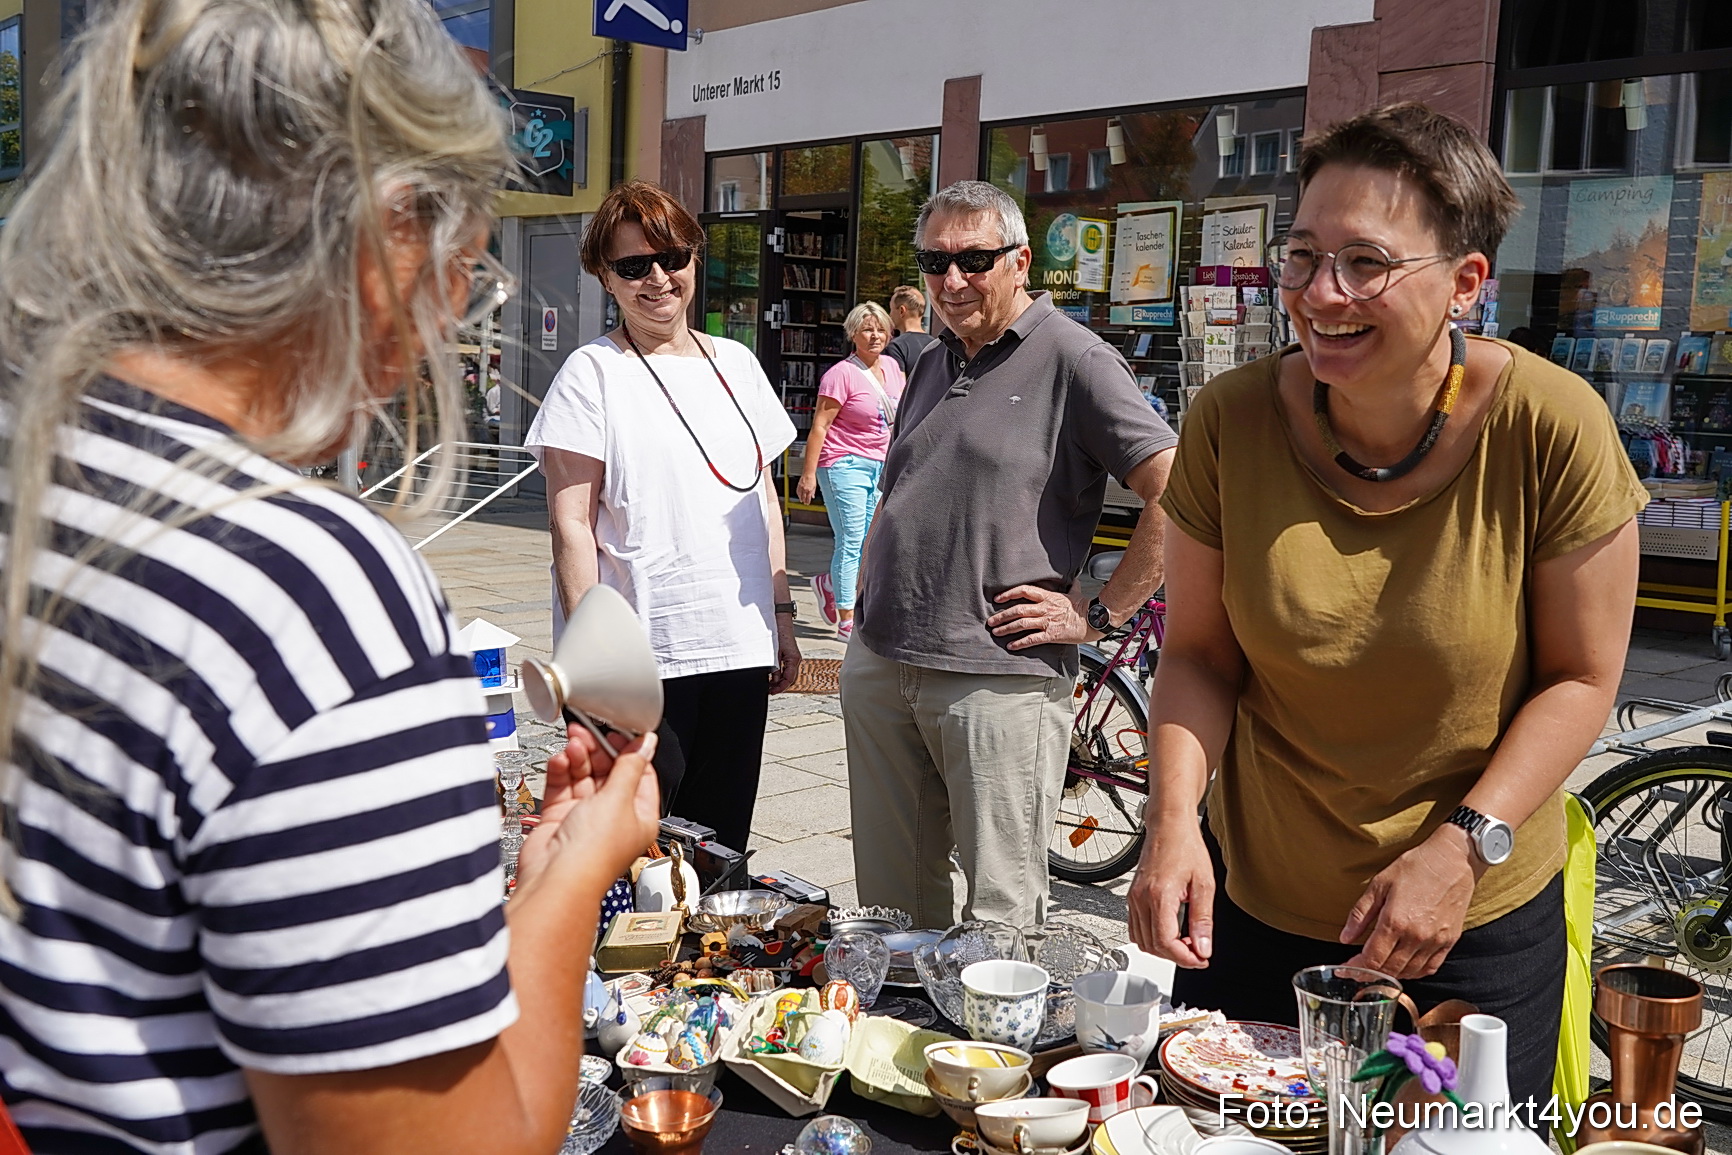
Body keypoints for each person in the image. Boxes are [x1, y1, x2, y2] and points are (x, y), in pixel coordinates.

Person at [0, 0, 661, 1151]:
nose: (450, 319)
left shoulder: (44, 465)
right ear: (385, 230)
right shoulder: (308, 589)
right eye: (464, 272)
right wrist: (573, 879)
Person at [1126, 103, 1645, 1113]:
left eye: (1365, 263)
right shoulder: (1230, 420)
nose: (1322, 294)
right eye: (1302, 256)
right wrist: (1171, 821)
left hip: (1469, 923)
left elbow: (1582, 676)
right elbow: (1195, 654)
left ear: (1463, 284)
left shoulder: (1553, 426)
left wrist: (1459, 849)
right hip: (1256, 912)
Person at [842, 181, 1178, 930]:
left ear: (1021, 261)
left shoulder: (1074, 358)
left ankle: (987, 1050)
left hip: (997, 679)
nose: (952, 280)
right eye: (935, 261)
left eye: (974, 259)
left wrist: (1100, 611)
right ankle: (905, 1045)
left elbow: (1177, 490)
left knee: (999, 918)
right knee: (892, 913)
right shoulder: (932, 357)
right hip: (886, 659)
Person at [528, 180, 801, 854]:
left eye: (672, 257)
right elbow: (571, 524)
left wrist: (783, 615)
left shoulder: (736, 362)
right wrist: (592, 656)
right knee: (628, 853)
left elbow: (761, 495)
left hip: (737, 647)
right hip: (640, 658)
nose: (658, 278)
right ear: (606, 276)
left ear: (694, 259)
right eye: (632, 265)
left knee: (719, 847)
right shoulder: (591, 373)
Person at [797, 301, 905, 639]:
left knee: (873, 542)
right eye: (867, 329)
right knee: (852, 540)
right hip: (843, 464)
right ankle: (847, 616)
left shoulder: (892, 367)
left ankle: (832, 585)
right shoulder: (840, 375)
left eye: (880, 329)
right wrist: (808, 473)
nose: (875, 335)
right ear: (853, 334)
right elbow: (820, 426)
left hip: (881, 466)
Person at [884, 284, 939, 375]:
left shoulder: (896, 347)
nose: (890, 315)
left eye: (891, 309)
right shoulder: (937, 345)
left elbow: (897, 386)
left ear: (902, 311)